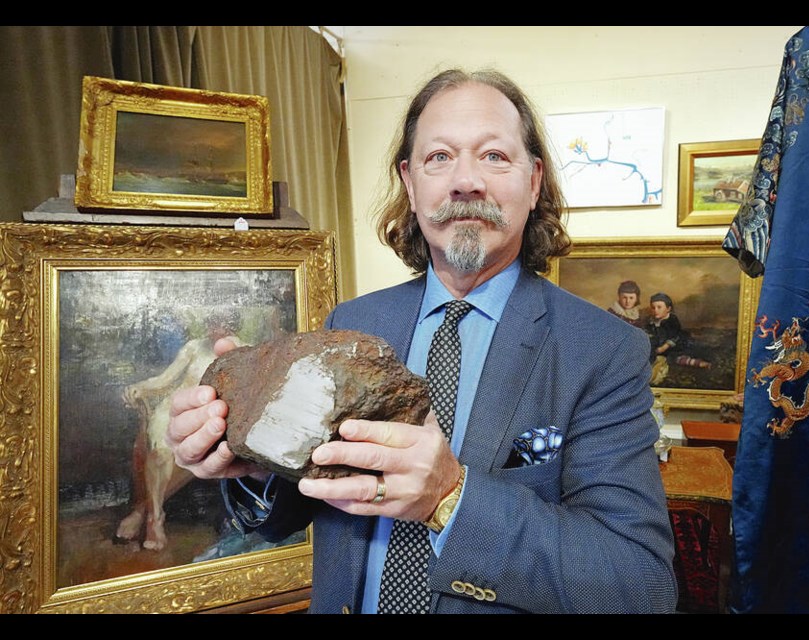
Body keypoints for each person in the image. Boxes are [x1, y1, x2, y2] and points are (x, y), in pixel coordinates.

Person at [165, 68, 677, 614]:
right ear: (410, 184)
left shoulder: (601, 349)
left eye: (494, 156)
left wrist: (450, 497)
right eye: (439, 157)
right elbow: (302, 502)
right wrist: (257, 466)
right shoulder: (354, 320)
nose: (465, 181)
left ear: (533, 182)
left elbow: (638, 584)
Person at [116, 313, 240, 551]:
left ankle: (143, 513)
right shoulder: (193, 347)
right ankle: (155, 519)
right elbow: (165, 380)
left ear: (229, 322)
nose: (212, 326)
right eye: (210, 321)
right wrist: (140, 387)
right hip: (175, 409)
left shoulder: (240, 348)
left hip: (212, 415)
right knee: (160, 453)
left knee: (194, 452)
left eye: (218, 321)